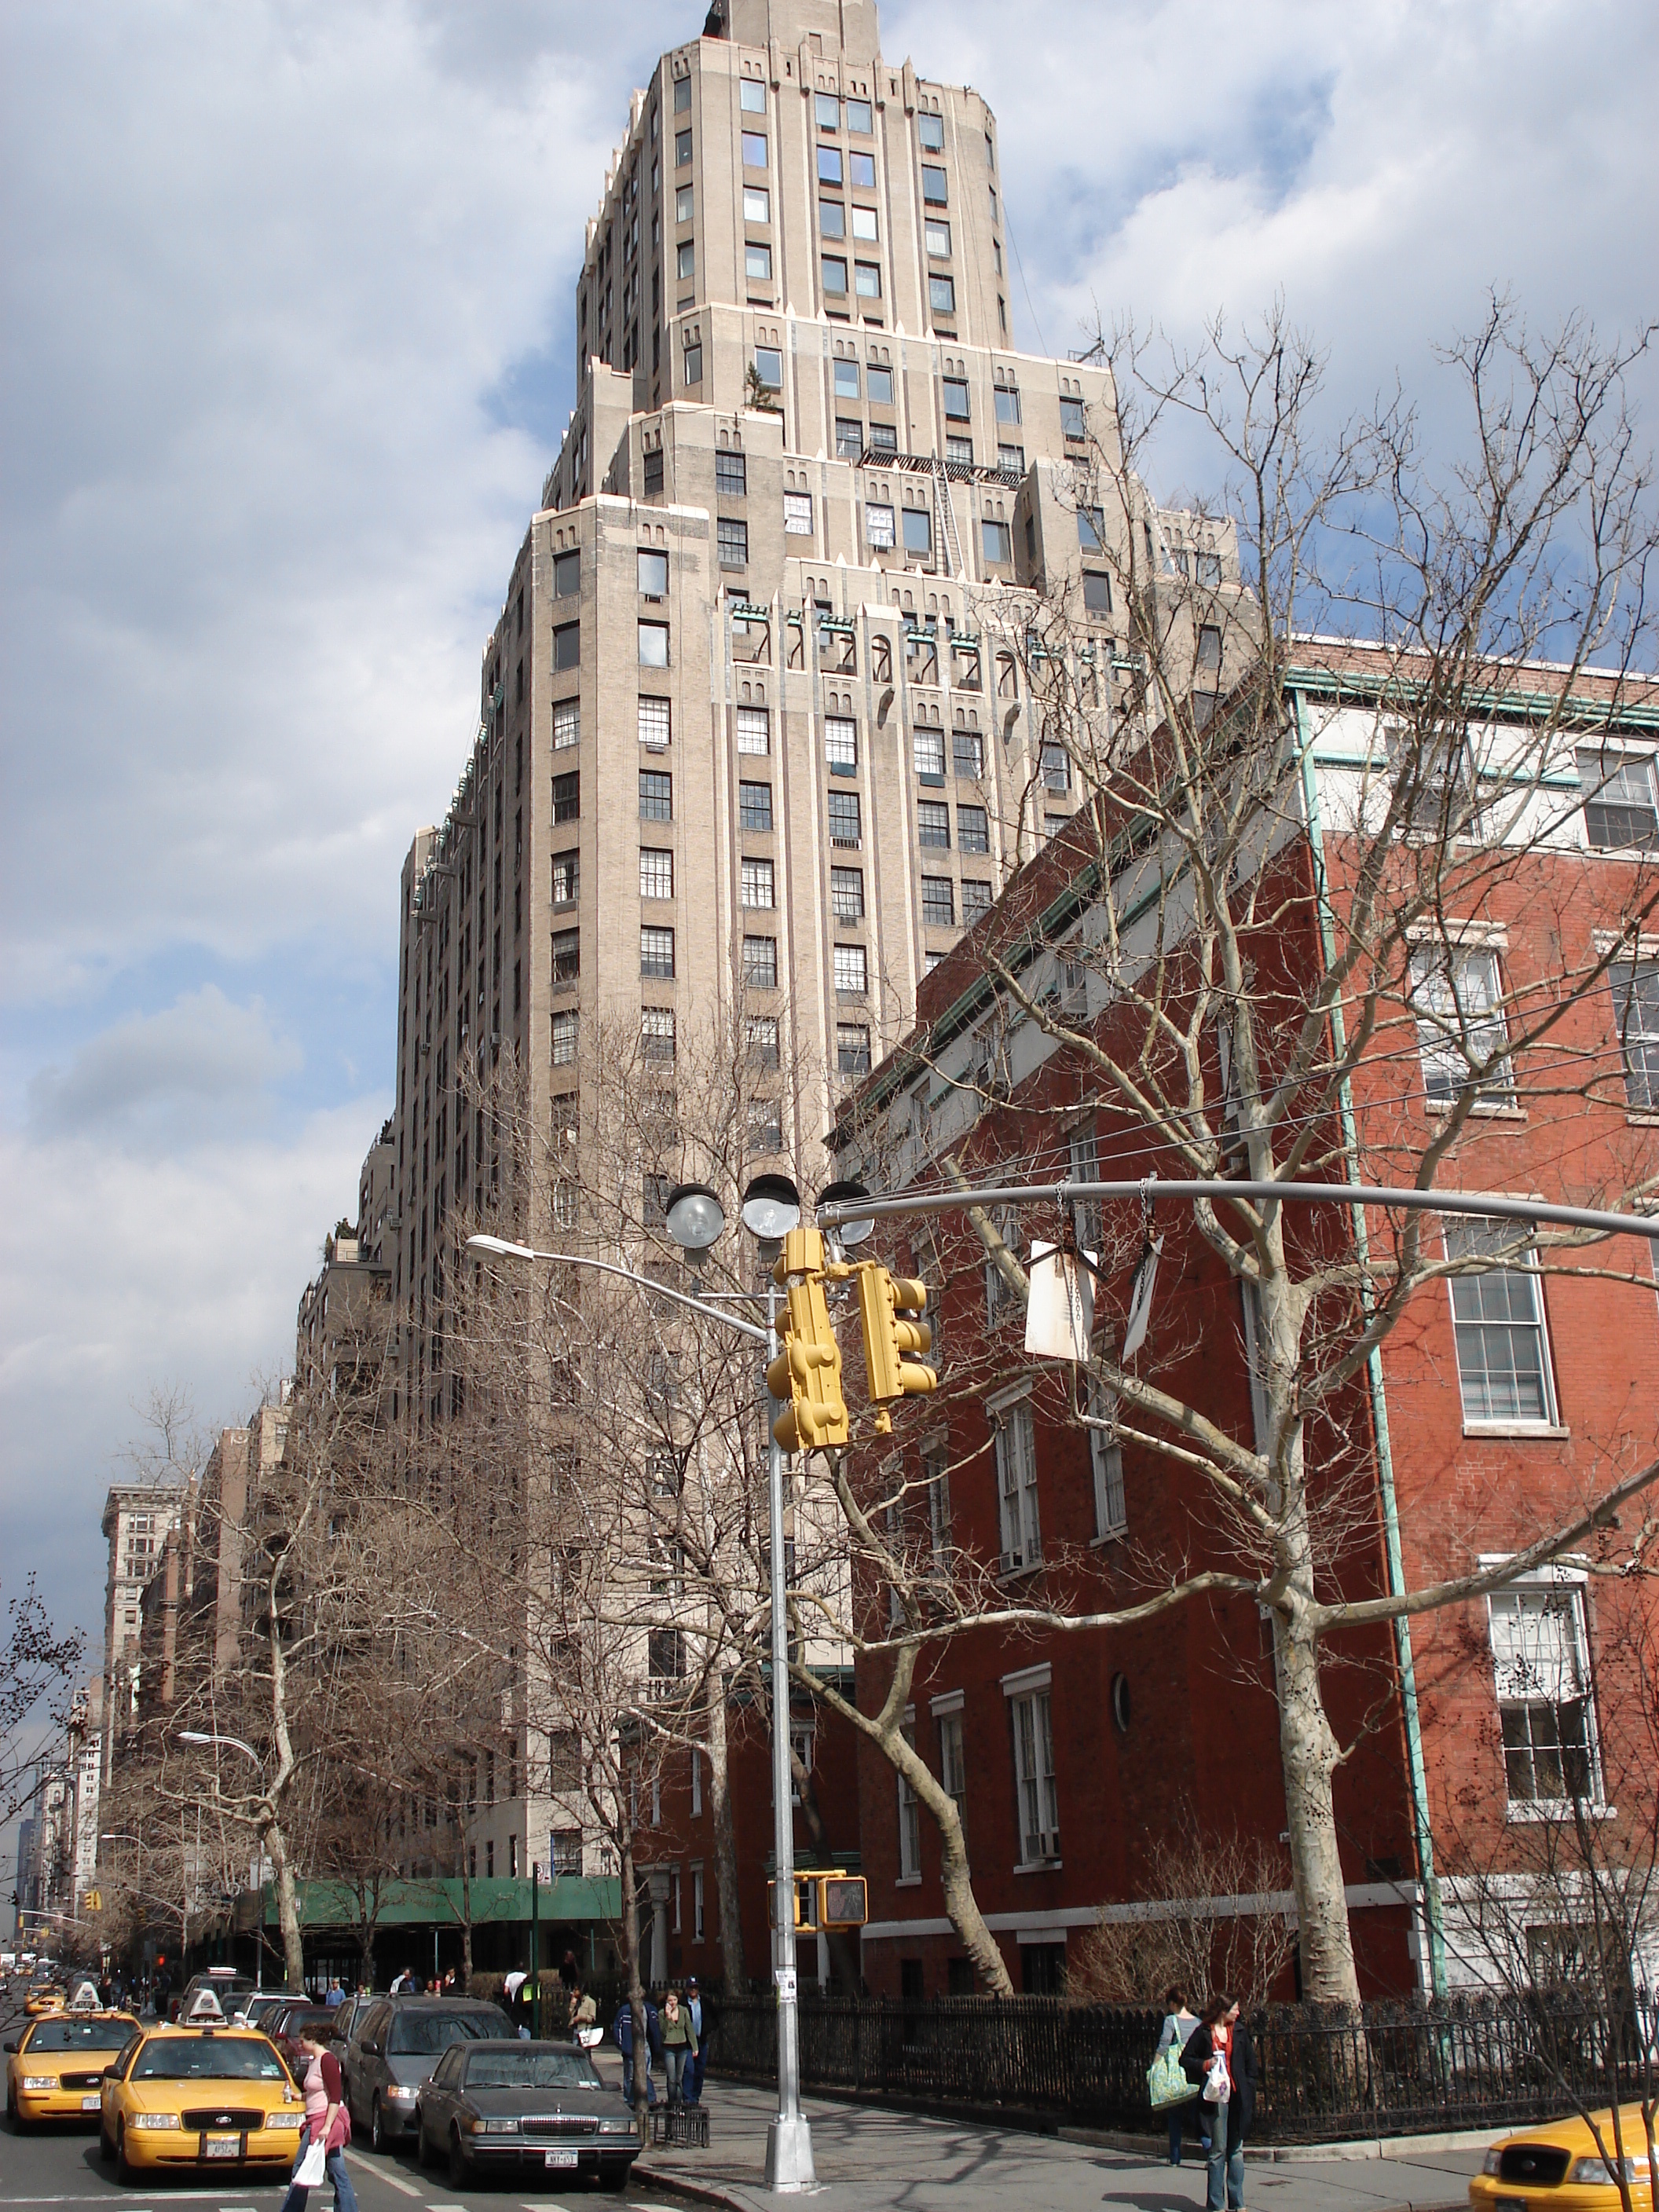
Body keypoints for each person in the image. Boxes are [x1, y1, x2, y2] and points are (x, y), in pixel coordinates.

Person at [1181, 1994, 1258, 2212]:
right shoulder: (1204, 2032)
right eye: (1235, 2009)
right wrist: (1205, 2064)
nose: (1238, 2012)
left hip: (1237, 2096)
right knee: (1218, 2151)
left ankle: (1238, 2202)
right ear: (1223, 2011)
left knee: (1237, 2149)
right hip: (1215, 2098)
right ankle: (1216, 2205)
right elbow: (1186, 2059)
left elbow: (1251, 2064)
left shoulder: (1240, 2031)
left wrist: (1250, 2085)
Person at [280, 2031, 357, 2212]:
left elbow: (335, 2096)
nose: (299, 2045)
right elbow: (318, 2091)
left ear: (313, 2040)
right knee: (337, 2172)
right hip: (318, 2120)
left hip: (323, 2122)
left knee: (301, 2168)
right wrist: (298, 2096)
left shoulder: (327, 2060)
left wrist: (327, 2127)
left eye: (302, 2041)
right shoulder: (315, 2061)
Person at [1155, 1986, 1202, 2166]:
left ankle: (1175, 2157)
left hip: (1176, 2075)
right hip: (1193, 2074)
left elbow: (1164, 2044)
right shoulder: (1197, 2022)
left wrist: (1155, 2066)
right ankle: (1210, 2148)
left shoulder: (1170, 2021)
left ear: (1173, 2004)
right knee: (1197, 2115)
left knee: (1174, 2115)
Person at [611, 1994, 660, 2108]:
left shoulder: (650, 2010)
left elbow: (655, 2029)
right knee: (630, 2077)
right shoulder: (625, 2011)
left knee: (645, 2075)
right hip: (630, 2049)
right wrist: (622, 2045)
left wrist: (656, 2047)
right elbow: (617, 2027)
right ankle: (629, 2100)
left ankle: (647, 2099)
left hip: (646, 2047)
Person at [661, 1987, 698, 2107]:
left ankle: (678, 2104)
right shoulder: (661, 2013)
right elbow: (663, 2031)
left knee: (679, 2078)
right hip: (669, 2047)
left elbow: (689, 2029)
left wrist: (694, 2046)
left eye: (675, 2000)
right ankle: (672, 2103)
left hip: (682, 2047)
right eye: (670, 2000)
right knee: (671, 2078)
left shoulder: (684, 2011)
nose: (672, 2003)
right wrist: (668, 2017)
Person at [682, 1976, 705, 2106]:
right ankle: (687, 2098)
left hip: (701, 2039)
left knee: (699, 2070)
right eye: (691, 1988)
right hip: (688, 2042)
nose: (693, 1990)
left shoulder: (704, 2002)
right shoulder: (683, 2003)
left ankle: (695, 2097)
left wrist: (707, 2029)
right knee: (689, 2069)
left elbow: (712, 2017)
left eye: (695, 1987)